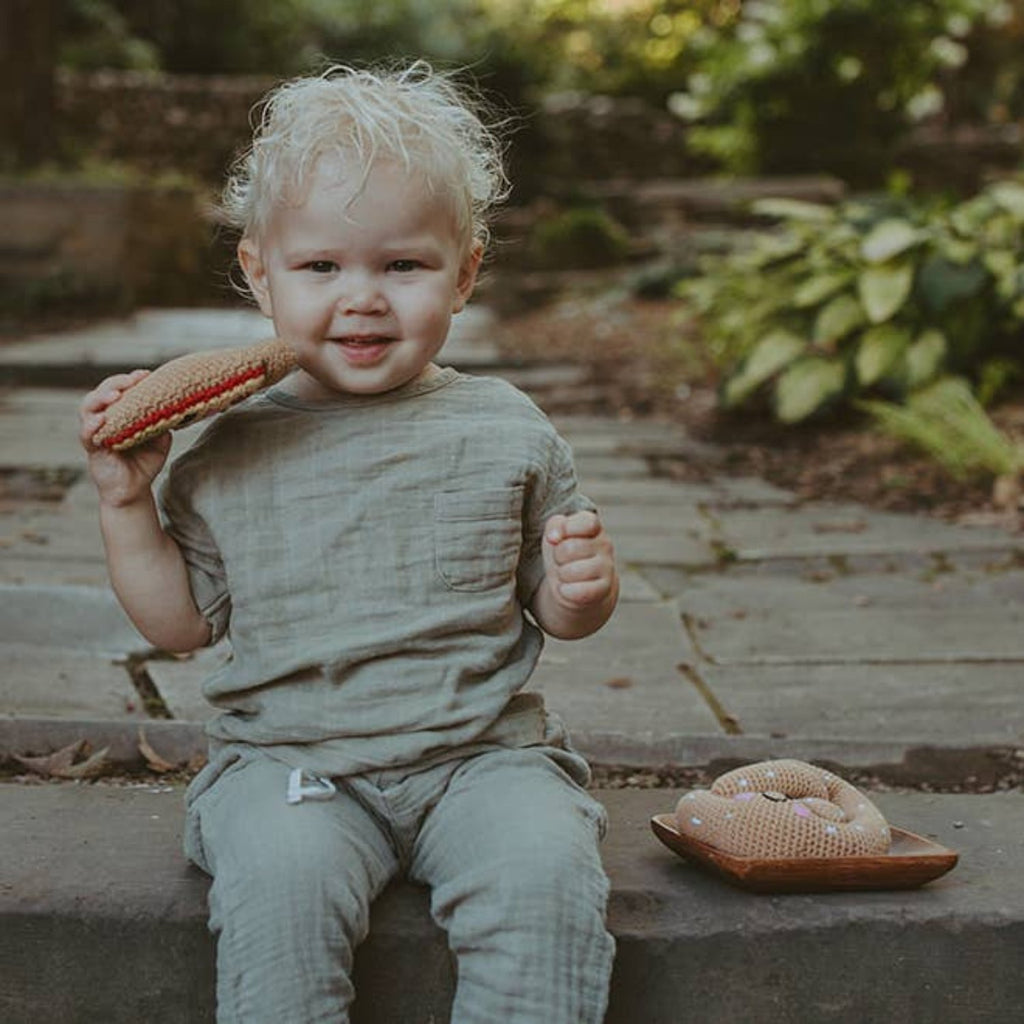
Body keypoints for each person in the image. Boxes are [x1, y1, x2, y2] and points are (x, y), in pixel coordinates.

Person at [78, 62, 618, 1024]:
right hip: (292, 763)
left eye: (402, 267)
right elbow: (178, 626)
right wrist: (128, 505)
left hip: (480, 757)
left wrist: (579, 590)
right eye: (322, 267)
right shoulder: (231, 446)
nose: (362, 298)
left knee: (545, 876)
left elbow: (552, 605)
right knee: (281, 891)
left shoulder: (507, 427)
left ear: (466, 273)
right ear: (259, 271)